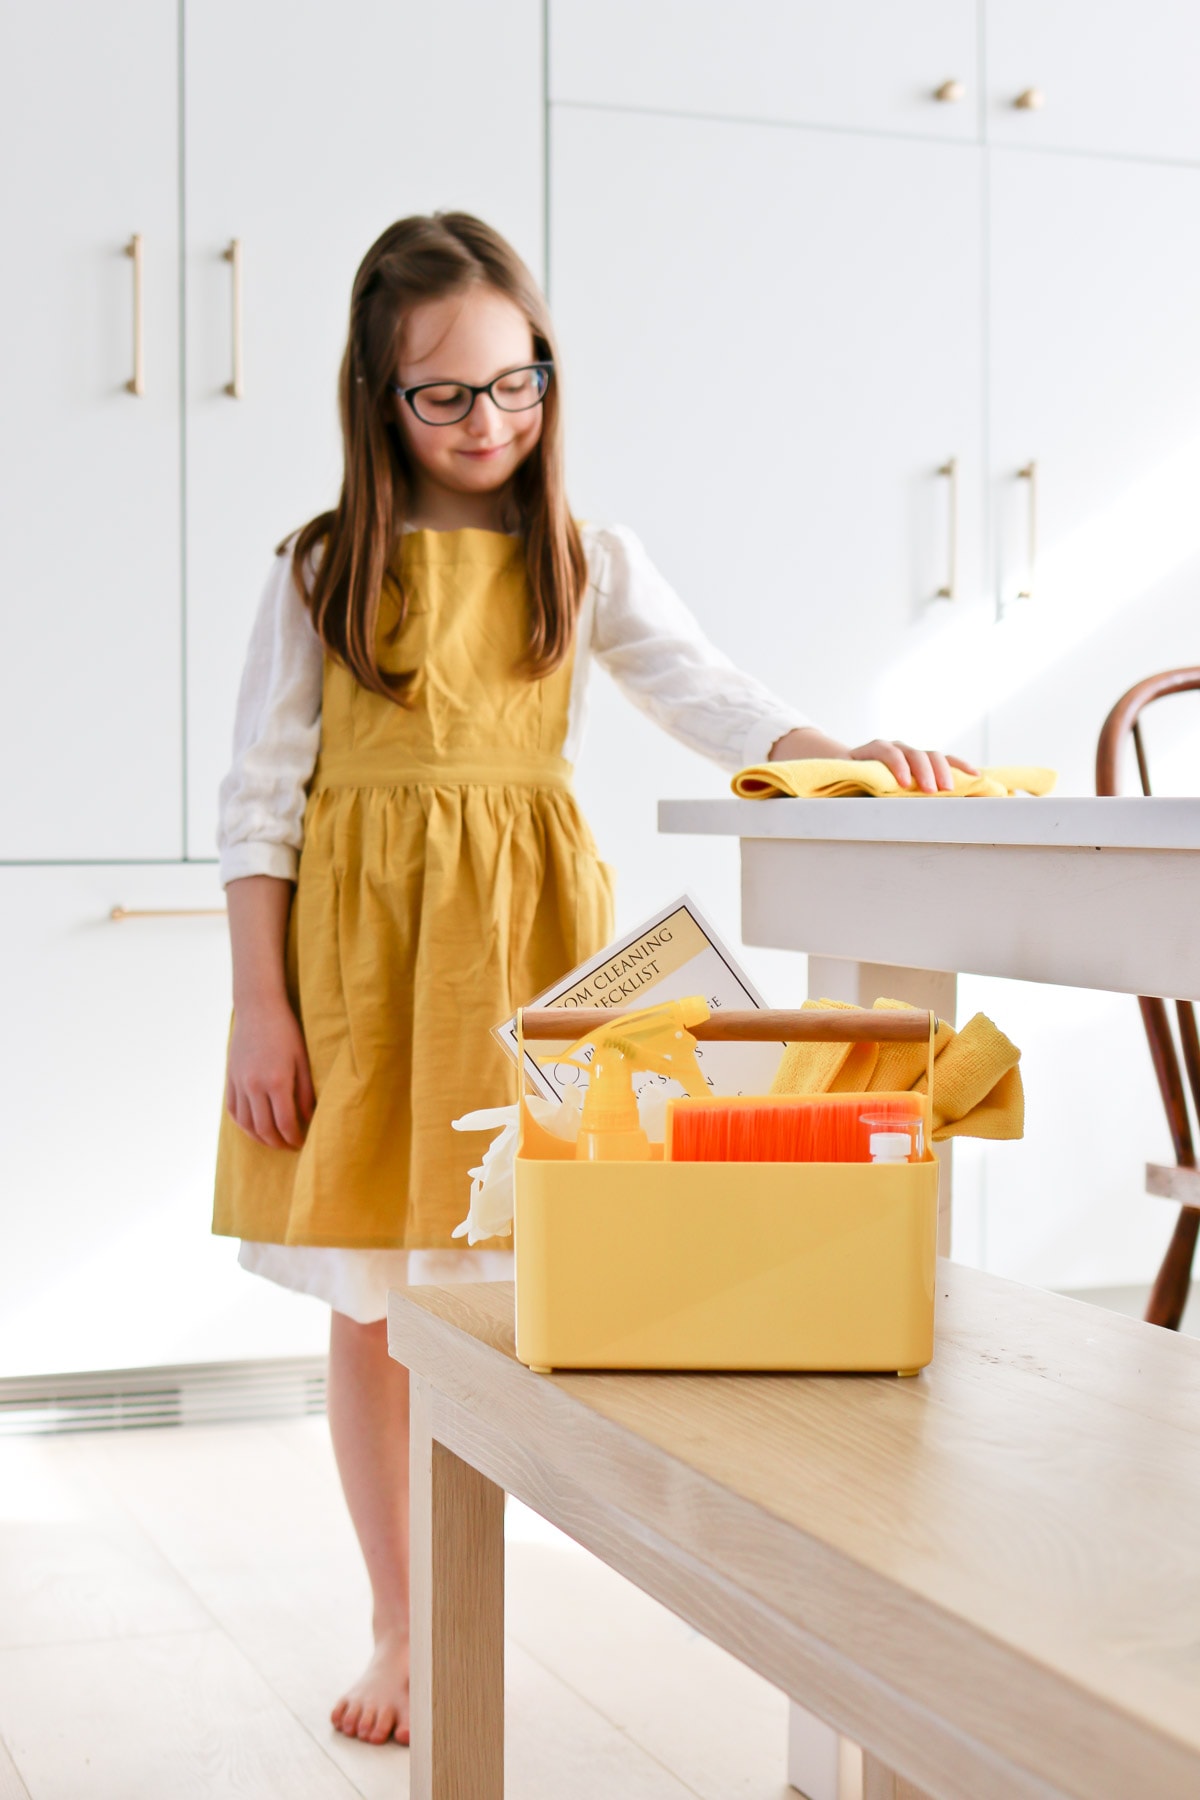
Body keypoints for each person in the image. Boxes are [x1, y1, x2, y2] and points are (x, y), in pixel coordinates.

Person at [213, 211, 976, 1748]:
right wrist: (259, 1002)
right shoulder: (322, 570)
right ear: (377, 397)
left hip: (525, 958)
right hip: (363, 970)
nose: (490, 422)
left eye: (518, 383)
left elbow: (710, 694)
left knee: (521, 1279)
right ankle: (405, 1619)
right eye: (446, 395)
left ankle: (502, 1569)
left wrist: (840, 756)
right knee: (375, 1304)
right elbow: (255, 799)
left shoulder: (583, 558)